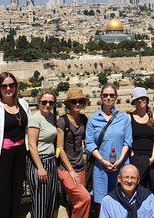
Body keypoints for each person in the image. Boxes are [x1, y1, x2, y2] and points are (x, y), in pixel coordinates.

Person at [0, 72, 30, 218]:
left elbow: (26, 130)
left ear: (15, 86)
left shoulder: (23, 104)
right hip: (1, 156)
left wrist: (26, 152)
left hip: (20, 154)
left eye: (11, 85)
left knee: (16, 192)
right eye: (4, 86)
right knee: (0, 194)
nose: (8, 88)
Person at [86, 83, 132, 216]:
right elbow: (89, 144)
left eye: (111, 95)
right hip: (101, 167)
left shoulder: (123, 118)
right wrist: (102, 160)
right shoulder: (93, 119)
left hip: (121, 166)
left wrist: (120, 160)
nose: (108, 97)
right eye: (105, 95)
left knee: (122, 199)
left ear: (116, 97)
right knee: (102, 201)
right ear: (101, 97)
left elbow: (127, 142)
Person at [56, 88, 91, 218]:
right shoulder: (62, 121)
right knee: (85, 198)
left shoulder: (83, 119)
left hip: (80, 167)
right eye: (74, 101)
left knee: (77, 202)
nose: (77, 104)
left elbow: (89, 139)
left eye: (80, 101)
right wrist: (70, 170)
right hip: (66, 169)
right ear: (68, 104)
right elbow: (59, 148)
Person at [27, 88, 59, 218]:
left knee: (50, 202)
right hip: (40, 162)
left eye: (51, 103)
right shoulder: (35, 119)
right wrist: (40, 167)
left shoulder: (51, 117)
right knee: (40, 203)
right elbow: (32, 145)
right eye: (44, 102)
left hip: (51, 161)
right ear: (38, 102)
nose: (47, 105)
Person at [129, 87, 154, 197]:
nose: (140, 101)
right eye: (137, 99)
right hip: (135, 160)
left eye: (142, 98)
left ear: (146, 99)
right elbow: (127, 140)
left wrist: (152, 159)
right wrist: (133, 157)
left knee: (152, 190)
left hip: (151, 160)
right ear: (134, 102)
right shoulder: (129, 118)